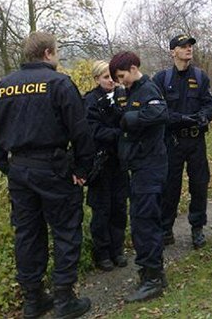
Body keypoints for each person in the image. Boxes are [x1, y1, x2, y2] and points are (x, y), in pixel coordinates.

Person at [0, 31, 95, 319]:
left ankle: (33, 299)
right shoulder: (59, 83)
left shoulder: (3, 86)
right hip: (53, 168)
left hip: (20, 170)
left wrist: (9, 168)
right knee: (65, 230)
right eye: (57, 52)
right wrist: (82, 169)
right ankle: (63, 300)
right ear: (48, 53)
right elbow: (80, 131)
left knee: (27, 234)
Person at [109, 51, 169, 303]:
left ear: (133, 68)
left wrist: (130, 119)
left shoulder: (149, 90)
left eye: (122, 76)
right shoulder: (131, 91)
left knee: (145, 221)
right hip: (139, 166)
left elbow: (160, 113)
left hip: (150, 166)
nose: (121, 82)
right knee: (141, 219)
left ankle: (153, 278)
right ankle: (148, 271)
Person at [153, 34, 212, 249]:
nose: (189, 49)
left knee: (199, 184)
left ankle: (197, 228)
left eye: (190, 46)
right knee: (170, 187)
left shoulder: (200, 76)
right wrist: (180, 119)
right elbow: (157, 111)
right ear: (173, 52)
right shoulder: (161, 79)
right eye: (183, 46)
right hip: (172, 142)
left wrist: (203, 116)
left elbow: (210, 105)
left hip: (196, 141)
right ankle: (166, 228)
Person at [84, 61, 129, 271]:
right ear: (96, 79)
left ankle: (117, 249)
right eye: (105, 77)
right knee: (101, 210)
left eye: (112, 76)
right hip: (100, 163)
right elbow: (94, 131)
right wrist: (120, 134)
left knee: (119, 207)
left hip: (120, 161)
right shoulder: (90, 101)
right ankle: (102, 253)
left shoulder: (124, 95)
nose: (110, 80)